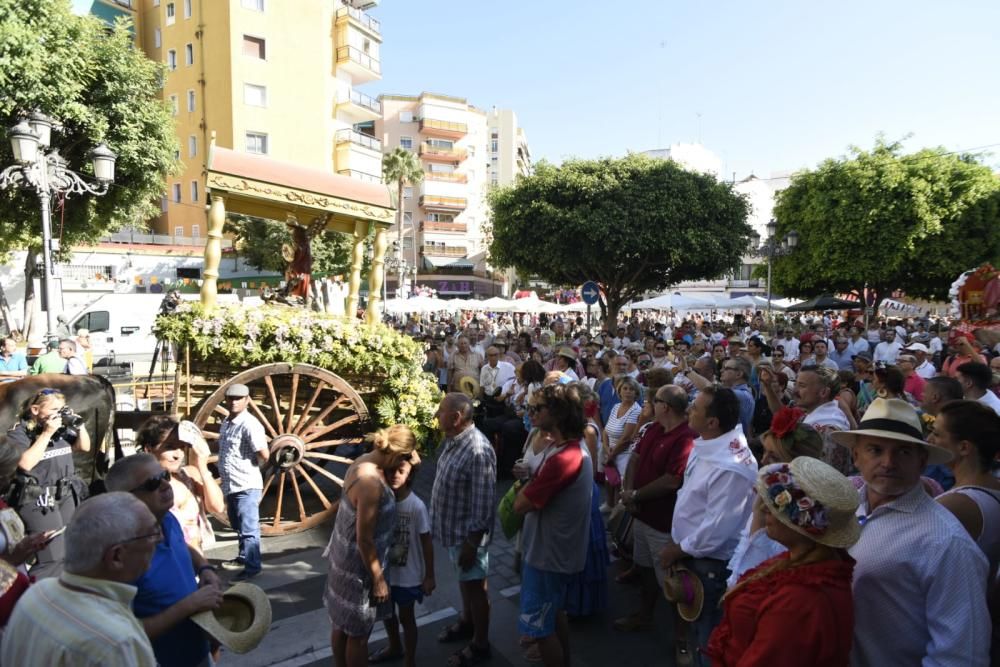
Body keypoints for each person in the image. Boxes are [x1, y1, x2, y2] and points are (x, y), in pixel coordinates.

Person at [830, 398, 990, 666]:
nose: (888, 462)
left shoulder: (946, 541)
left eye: (903, 452)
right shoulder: (842, 509)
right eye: (875, 450)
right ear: (856, 456)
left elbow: (961, 655)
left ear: (922, 461)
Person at [705, 457, 860, 666]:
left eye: (777, 505)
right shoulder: (802, 563)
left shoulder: (801, 600)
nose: (765, 509)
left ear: (802, 525)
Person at [659, 386, 758, 666]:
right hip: (691, 556)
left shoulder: (730, 466)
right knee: (698, 630)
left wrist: (678, 549)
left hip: (708, 565)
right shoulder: (708, 442)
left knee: (709, 640)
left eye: (695, 408)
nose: (689, 410)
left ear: (713, 422)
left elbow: (717, 530)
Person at [1, 492, 159, 667]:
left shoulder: (37, 594)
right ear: (116, 556)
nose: (160, 539)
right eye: (152, 534)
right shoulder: (117, 643)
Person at [105, 453, 223, 667]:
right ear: (126, 499)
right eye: (152, 484)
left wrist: (205, 568)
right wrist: (190, 605)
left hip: (198, 652)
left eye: (164, 475)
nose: (165, 485)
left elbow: (183, 546)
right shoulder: (123, 556)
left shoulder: (167, 519)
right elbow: (126, 634)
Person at [513, 382, 593, 667]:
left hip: (548, 556)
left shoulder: (565, 457)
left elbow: (520, 505)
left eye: (536, 408)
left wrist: (527, 484)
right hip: (554, 552)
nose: (530, 412)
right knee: (555, 613)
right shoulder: (561, 447)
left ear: (557, 413)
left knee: (540, 629)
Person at [325, 425, 418, 667]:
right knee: (358, 635)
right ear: (395, 455)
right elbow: (364, 539)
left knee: (341, 624)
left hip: (342, 558)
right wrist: (378, 579)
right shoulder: (371, 483)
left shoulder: (364, 460)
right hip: (359, 569)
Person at [614, 385, 696, 634]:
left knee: (671, 583)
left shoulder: (686, 437)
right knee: (645, 569)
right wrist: (628, 492)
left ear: (665, 407)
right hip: (641, 514)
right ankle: (645, 615)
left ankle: (682, 640)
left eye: (654, 400)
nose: (649, 403)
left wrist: (636, 494)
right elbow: (635, 458)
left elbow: (672, 480)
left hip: (663, 522)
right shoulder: (653, 428)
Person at [930, 400, 1000, 658]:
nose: (930, 439)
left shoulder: (955, 506)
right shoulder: (991, 488)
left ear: (964, 448)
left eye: (937, 433)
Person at [431, 394, 496, 667]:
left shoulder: (478, 450)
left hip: (467, 536)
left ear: (456, 418)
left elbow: (483, 507)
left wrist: (472, 544)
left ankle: (480, 644)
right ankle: (467, 622)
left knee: (476, 588)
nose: (436, 413)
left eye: (441, 410)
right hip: (453, 530)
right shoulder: (454, 439)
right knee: (465, 581)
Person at [726, 407, 825, 585]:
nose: (763, 461)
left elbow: (755, 571)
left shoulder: (801, 515)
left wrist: (759, 514)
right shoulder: (772, 495)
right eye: (764, 452)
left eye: (773, 457)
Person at [6, 387, 90, 578]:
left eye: (61, 410)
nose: (57, 415)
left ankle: (60, 593)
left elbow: (83, 447)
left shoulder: (61, 429)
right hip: (39, 496)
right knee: (51, 556)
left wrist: (79, 425)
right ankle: (33, 596)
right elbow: (25, 463)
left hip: (65, 493)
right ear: (35, 410)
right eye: (53, 410)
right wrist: (46, 434)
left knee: (68, 551)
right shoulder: (19, 432)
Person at [368, 454, 434, 667]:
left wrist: (429, 575)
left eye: (401, 471)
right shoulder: (382, 501)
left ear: (410, 474)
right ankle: (395, 646)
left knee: (407, 618)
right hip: (386, 575)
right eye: (390, 471)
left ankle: (410, 659)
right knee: (388, 616)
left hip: (408, 577)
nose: (395, 476)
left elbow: (426, 542)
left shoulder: (417, 506)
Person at [136, 416, 225, 553]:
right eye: (170, 447)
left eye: (182, 447)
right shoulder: (142, 486)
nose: (178, 454)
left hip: (195, 563)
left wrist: (202, 465)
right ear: (149, 449)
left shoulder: (190, 475)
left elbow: (217, 507)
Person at [217, 383, 269, 581]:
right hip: (231, 483)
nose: (234, 402)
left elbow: (264, 454)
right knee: (237, 523)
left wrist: (254, 469)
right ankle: (243, 557)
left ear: (247, 400)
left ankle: (253, 567)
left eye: (239, 398)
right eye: (231, 398)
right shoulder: (227, 421)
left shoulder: (250, 424)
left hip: (246, 484)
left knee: (249, 528)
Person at [602, 375, 642, 509]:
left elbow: (626, 438)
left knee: (620, 486)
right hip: (610, 451)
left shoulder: (636, 410)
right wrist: (606, 448)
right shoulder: (616, 407)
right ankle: (609, 506)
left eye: (632, 389)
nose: (628, 391)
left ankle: (616, 515)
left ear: (636, 393)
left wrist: (612, 455)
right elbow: (606, 430)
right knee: (609, 481)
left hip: (624, 454)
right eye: (625, 388)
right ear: (620, 391)